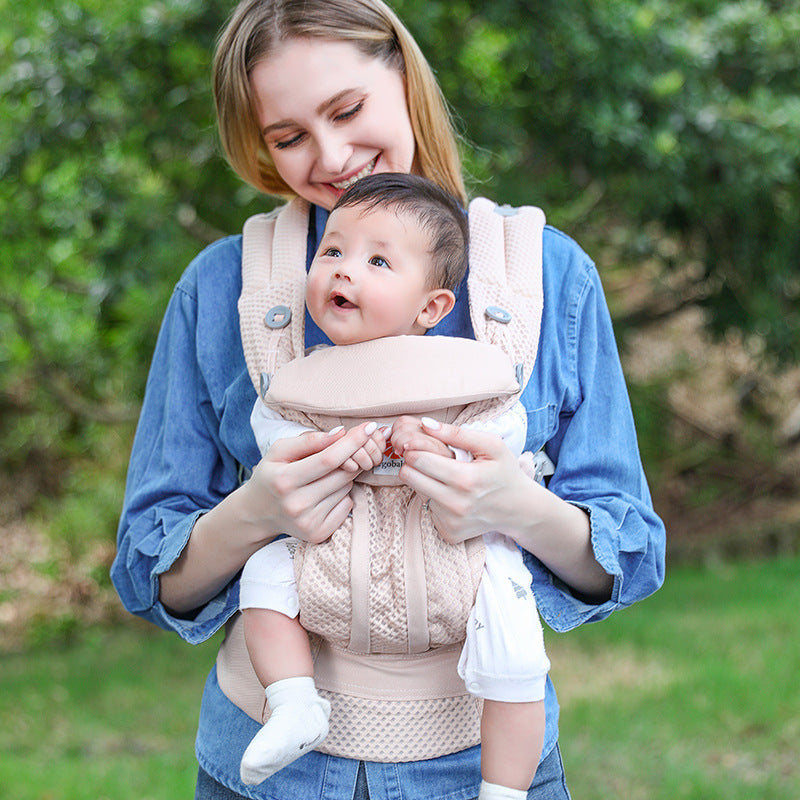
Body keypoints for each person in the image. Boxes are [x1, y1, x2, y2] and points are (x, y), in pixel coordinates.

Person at [111, 0, 666, 798]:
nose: (332, 156)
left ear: (403, 78)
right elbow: (147, 571)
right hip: (272, 772)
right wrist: (257, 512)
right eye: (288, 137)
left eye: (347, 110)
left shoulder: (540, 276)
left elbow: (629, 553)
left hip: (485, 768)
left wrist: (516, 505)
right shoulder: (226, 289)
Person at [237, 173, 551, 800]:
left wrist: (440, 442)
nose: (342, 272)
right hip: (333, 542)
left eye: (377, 260)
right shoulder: (301, 375)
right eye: (332, 251)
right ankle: (294, 699)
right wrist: (312, 455)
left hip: (456, 552)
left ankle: (507, 788)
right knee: (264, 575)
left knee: (515, 643)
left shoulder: (465, 371)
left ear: (431, 308)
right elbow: (273, 434)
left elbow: (504, 433)